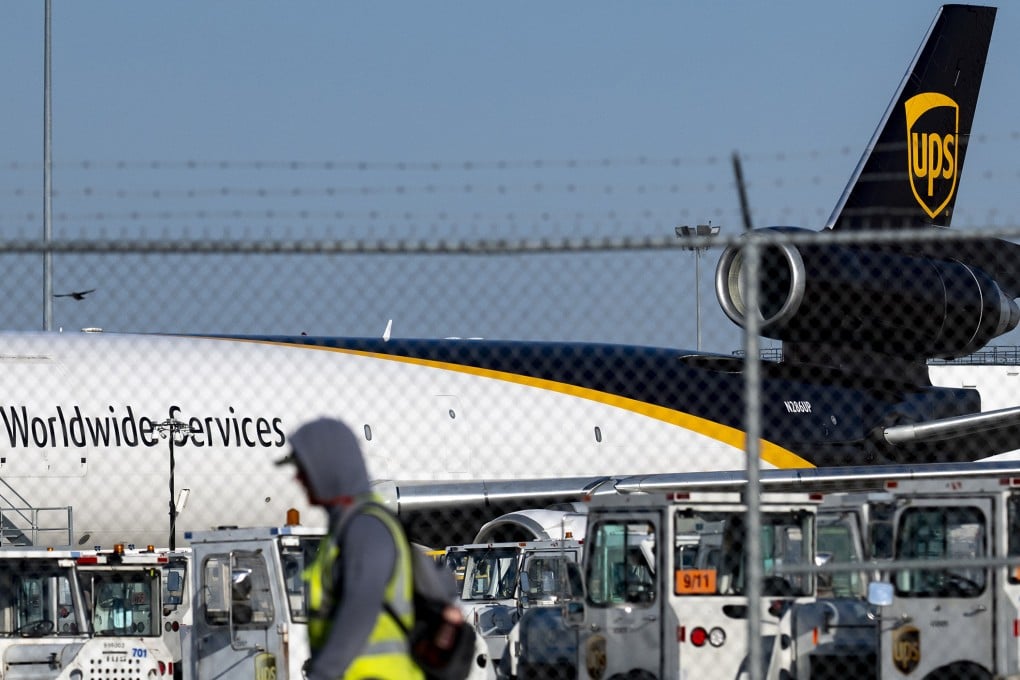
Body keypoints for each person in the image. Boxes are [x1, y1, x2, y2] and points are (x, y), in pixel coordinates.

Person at [276, 417, 424, 680]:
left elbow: (359, 613)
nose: (297, 479)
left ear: (328, 470)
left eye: (303, 469)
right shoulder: (347, 527)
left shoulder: (364, 528)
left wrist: (323, 674)